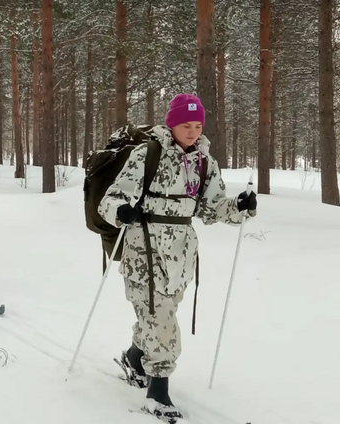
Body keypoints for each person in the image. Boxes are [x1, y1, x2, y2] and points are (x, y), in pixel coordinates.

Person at [98, 93, 258, 422]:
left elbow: (213, 208)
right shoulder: (147, 154)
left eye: (198, 125)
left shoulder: (203, 162)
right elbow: (110, 200)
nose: (192, 132)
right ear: (172, 125)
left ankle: (133, 356)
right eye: (186, 125)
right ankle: (158, 391)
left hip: (181, 256)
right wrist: (122, 210)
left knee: (160, 316)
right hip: (144, 250)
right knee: (162, 322)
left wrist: (240, 208)